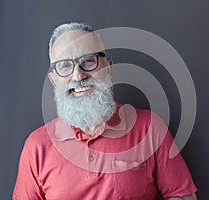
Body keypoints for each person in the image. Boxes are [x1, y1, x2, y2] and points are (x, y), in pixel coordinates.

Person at [13, 22, 197, 200]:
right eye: (65, 66)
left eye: (89, 61)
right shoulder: (36, 146)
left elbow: (183, 196)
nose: (78, 75)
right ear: (54, 81)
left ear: (108, 68)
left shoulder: (150, 128)